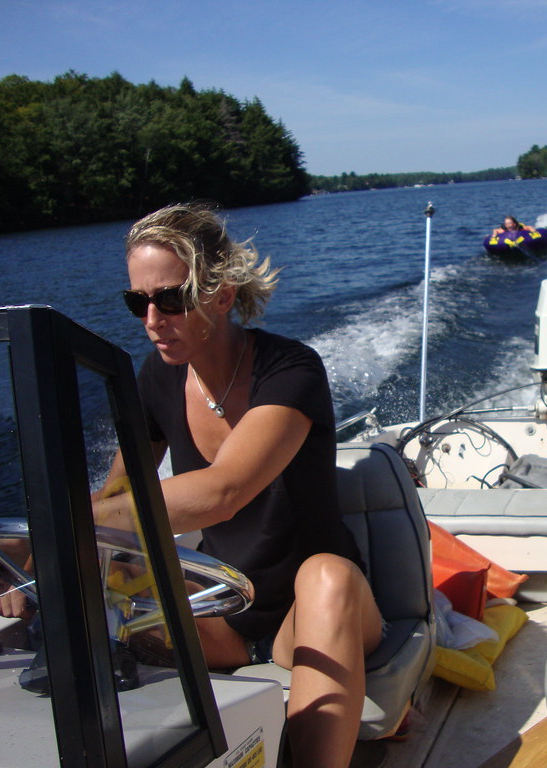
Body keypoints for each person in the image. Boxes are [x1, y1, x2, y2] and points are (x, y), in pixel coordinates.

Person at [92, 202, 384, 768]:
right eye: (137, 302)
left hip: (313, 614)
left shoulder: (290, 369)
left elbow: (225, 491)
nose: (152, 319)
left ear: (222, 295)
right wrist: (32, 556)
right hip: (222, 616)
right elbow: (116, 499)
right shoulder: (154, 379)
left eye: (170, 299)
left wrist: (65, 525)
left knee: (326, 575)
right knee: (101, 582)